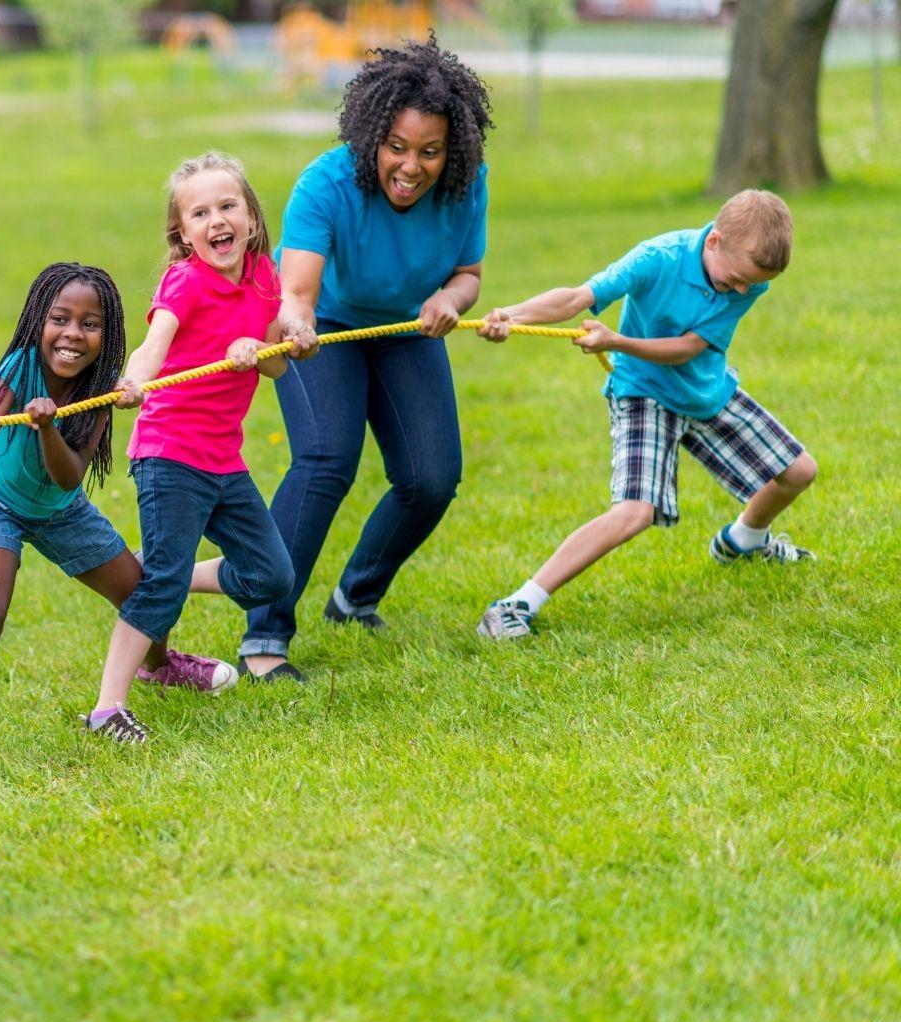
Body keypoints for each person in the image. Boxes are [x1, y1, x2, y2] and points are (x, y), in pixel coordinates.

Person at [0, 262, 237, 780]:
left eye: (90, 323)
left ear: (107, 333)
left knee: (145, 591)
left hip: (61, 510)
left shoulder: (100, 390)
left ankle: (158, 663)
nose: (73, 334)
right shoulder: (17, 367)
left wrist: (48, 428)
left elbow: (66, 476)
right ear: (39, 321)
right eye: (61, 319)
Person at [242, 35, 494, 682]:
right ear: (372, 137)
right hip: (325, 326)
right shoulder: (327, 183)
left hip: (408, 326)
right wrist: (295, 325)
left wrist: (451, 297)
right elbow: (297, 294)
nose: (412, 166)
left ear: (452, 150)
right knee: (327, 459)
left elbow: (469, 272)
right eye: (398, 148)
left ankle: (355, 597)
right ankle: (265, 635)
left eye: (430, 152)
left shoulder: (467, 184)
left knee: (431, 477)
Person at [474, 190, 817, 639]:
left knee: (798, 471)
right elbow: (578, 297)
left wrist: (615, 342)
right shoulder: (659, 258)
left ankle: (743, 540)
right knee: (635, 512)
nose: (741, 291)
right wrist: (510, 315)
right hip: (643, 393)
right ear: (713, 242)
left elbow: (688, 350)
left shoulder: (750, 280)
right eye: (734, 280)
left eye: (749, 285)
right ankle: (517, 604)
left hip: (703, 390)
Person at [85, 151, 305, 742]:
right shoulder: (185, 279)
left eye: (227, 206)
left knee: (273, 576)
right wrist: (132, 381)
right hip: (169, 453)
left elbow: (276, 370)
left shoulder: (264, 275)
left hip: (223, 460)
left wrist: (277, 345)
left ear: (252, 218)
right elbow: (155, 345)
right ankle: (109, 707)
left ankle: (169, 570)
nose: (216, 221)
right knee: (160, 588)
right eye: (199, 213)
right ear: (183, 234)